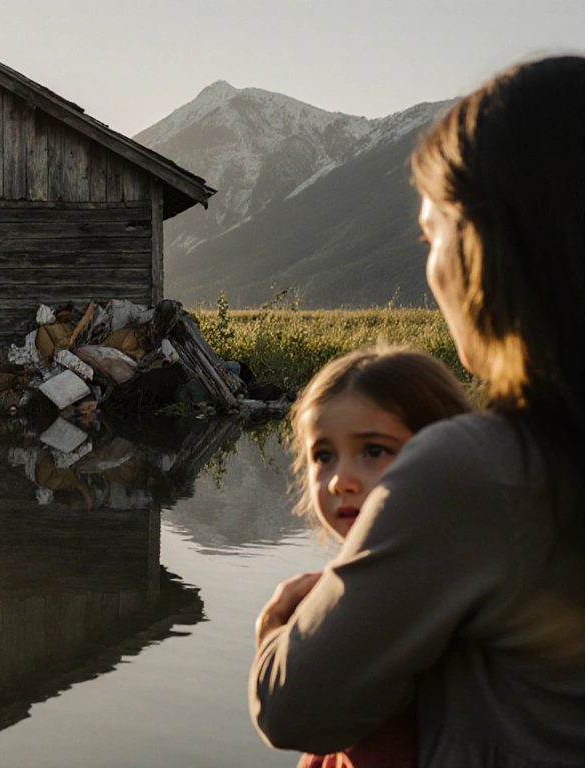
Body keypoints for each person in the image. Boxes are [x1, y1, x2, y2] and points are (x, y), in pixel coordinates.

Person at [251, 55, 585, 766]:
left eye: (433, 236)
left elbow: (293, 708)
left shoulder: (480, 468)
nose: (432, 267)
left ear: (486, 247)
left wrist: (283, 628)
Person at [282, 345, 472, 768]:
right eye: (323, 456)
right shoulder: (343, 590)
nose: (341, 481)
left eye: (373, 451)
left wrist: (275, 643)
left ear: (444, 457)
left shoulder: (427, 592)